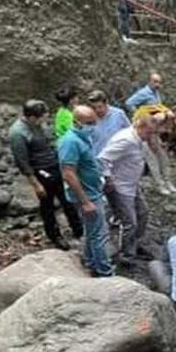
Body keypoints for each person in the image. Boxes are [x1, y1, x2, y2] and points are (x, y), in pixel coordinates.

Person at [9, 99, 84, 251]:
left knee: (67, 200)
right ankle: (55, 235)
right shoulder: (18, 133)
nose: (44, 120)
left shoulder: (38, 125)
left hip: (54, 165)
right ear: (31, 117)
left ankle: (79, 229)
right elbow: (22, 161)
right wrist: (35, 183)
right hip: (40, 171)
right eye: (42, 117)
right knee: (47, 205)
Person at [60, 105, 115, 277]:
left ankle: (90, 261)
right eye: (89, 123)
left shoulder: (84, 137)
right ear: (77, 123)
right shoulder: (70, 142)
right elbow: (68, 173)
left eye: (94, 122)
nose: (93, 126)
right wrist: (85, 201)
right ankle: (104, 271)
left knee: (92, 231)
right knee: (99, 234)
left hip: (93, 190)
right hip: (87, 195)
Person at [99, 116, 156, 263]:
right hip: (120, 187)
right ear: (140, 127)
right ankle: (126, 256)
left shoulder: (138, 139)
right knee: (130, 222)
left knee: (143, 213)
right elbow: (102, 159)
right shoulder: (125, 140)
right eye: (149, 132)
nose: (150, 136)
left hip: (132, 184)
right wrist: (108, 178)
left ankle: (135, 245)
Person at [87, 90, 132, 156]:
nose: (97, 110)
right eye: (94, 108)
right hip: (99, 159)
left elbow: (130, 133)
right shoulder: (88, 118)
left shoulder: (118, 114)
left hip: (119, 158)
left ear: (106, 103)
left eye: (100, 107)